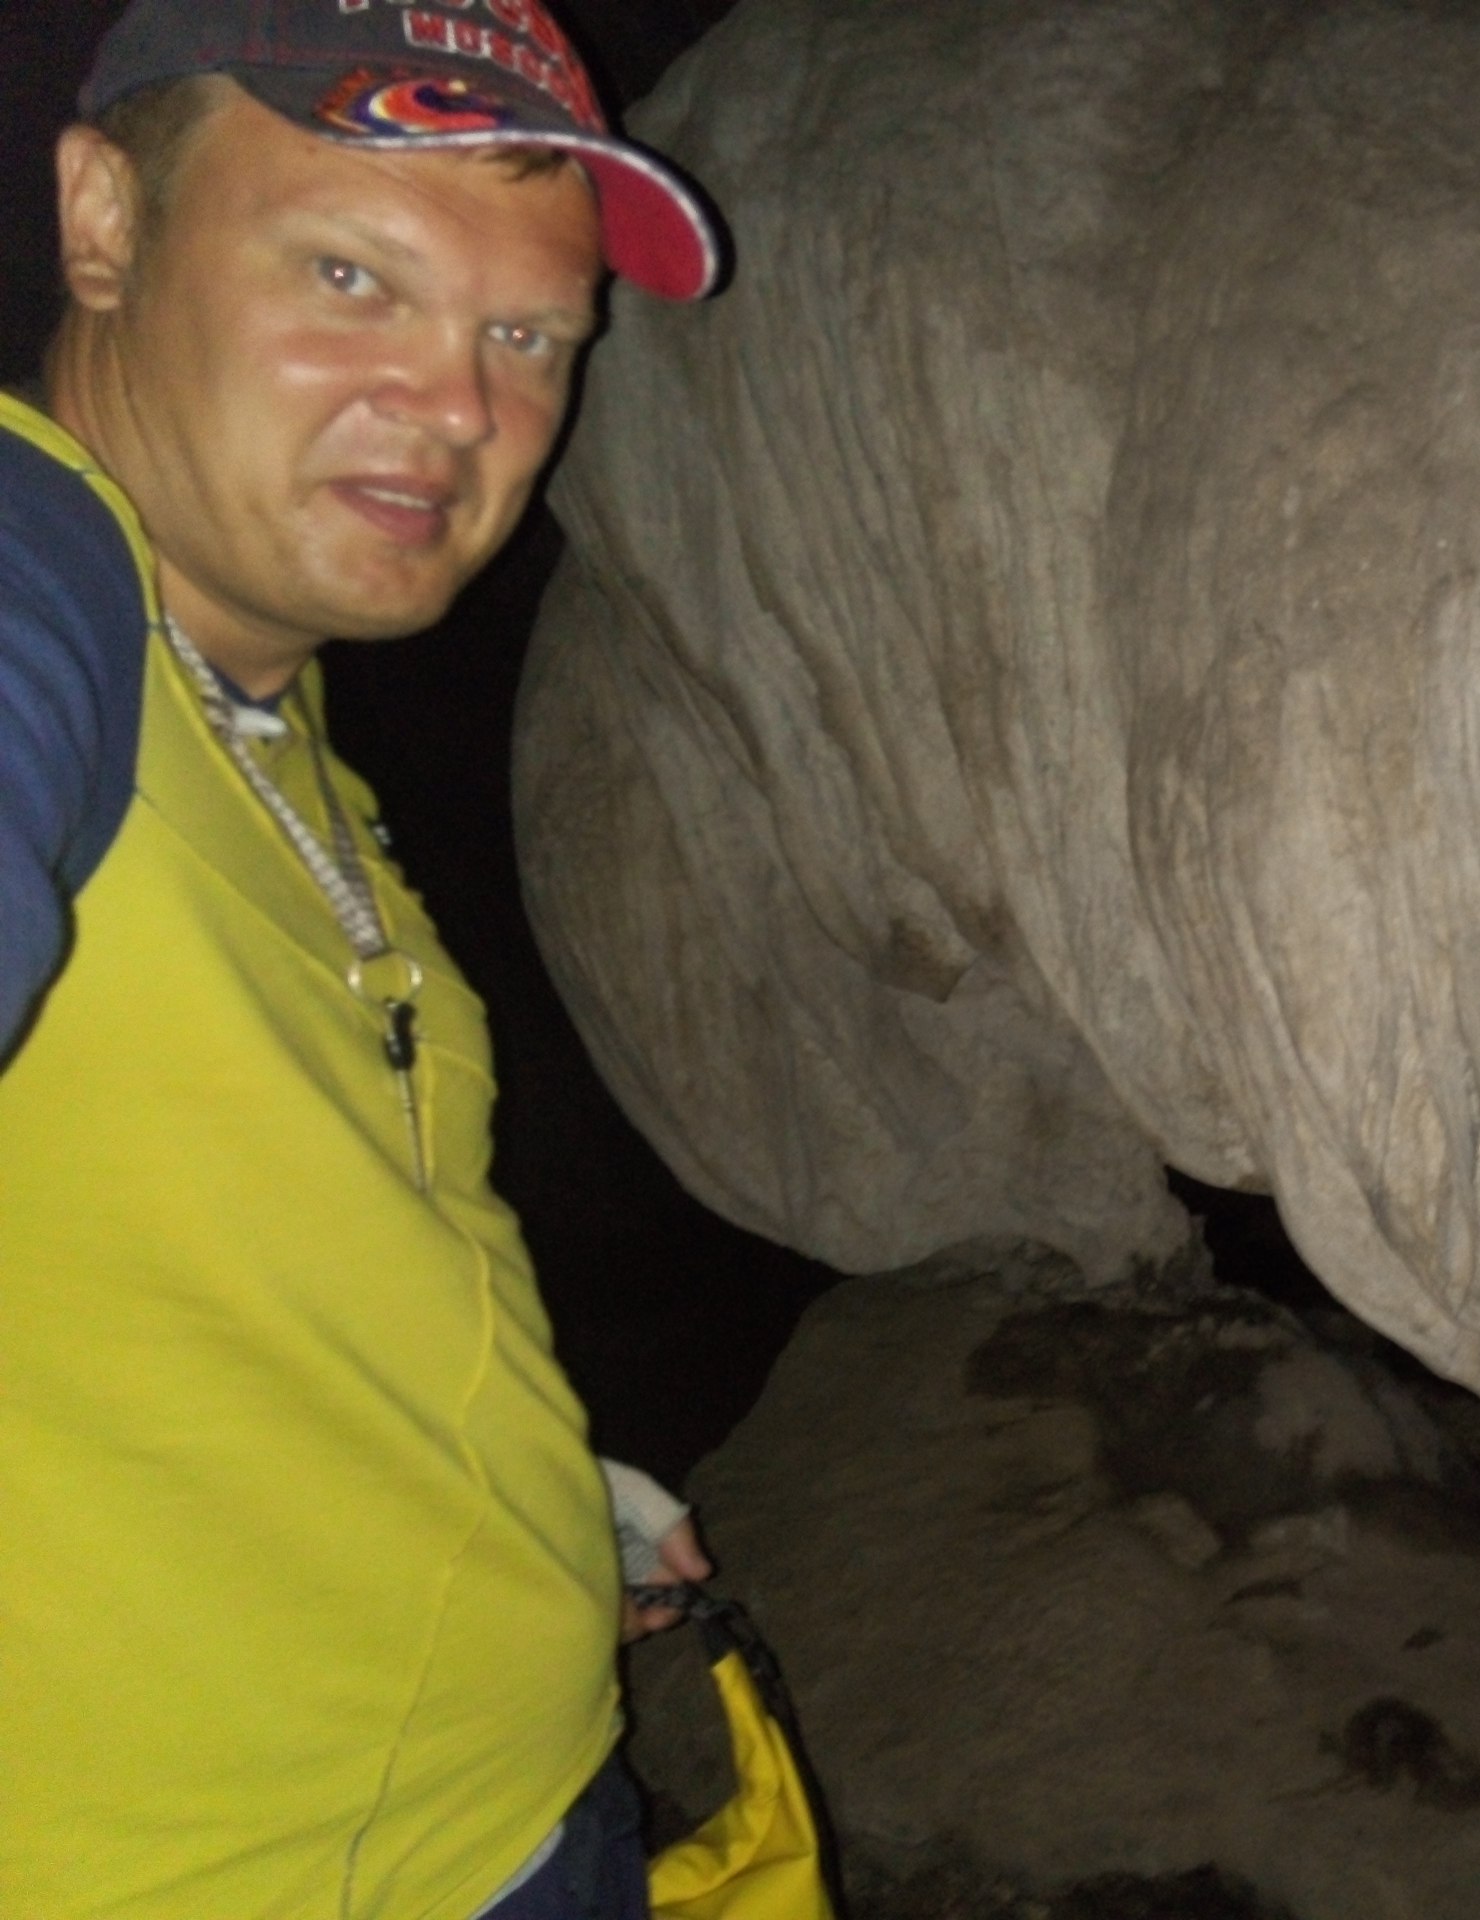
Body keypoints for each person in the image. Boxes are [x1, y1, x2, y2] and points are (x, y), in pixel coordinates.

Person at [0, 2, 726, 1913]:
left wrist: (525, 1513)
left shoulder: (258, 705)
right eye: (350, 274)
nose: (463, 407)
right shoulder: (36, 591)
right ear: (101, 220)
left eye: (526, 340)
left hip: (521, 1813)